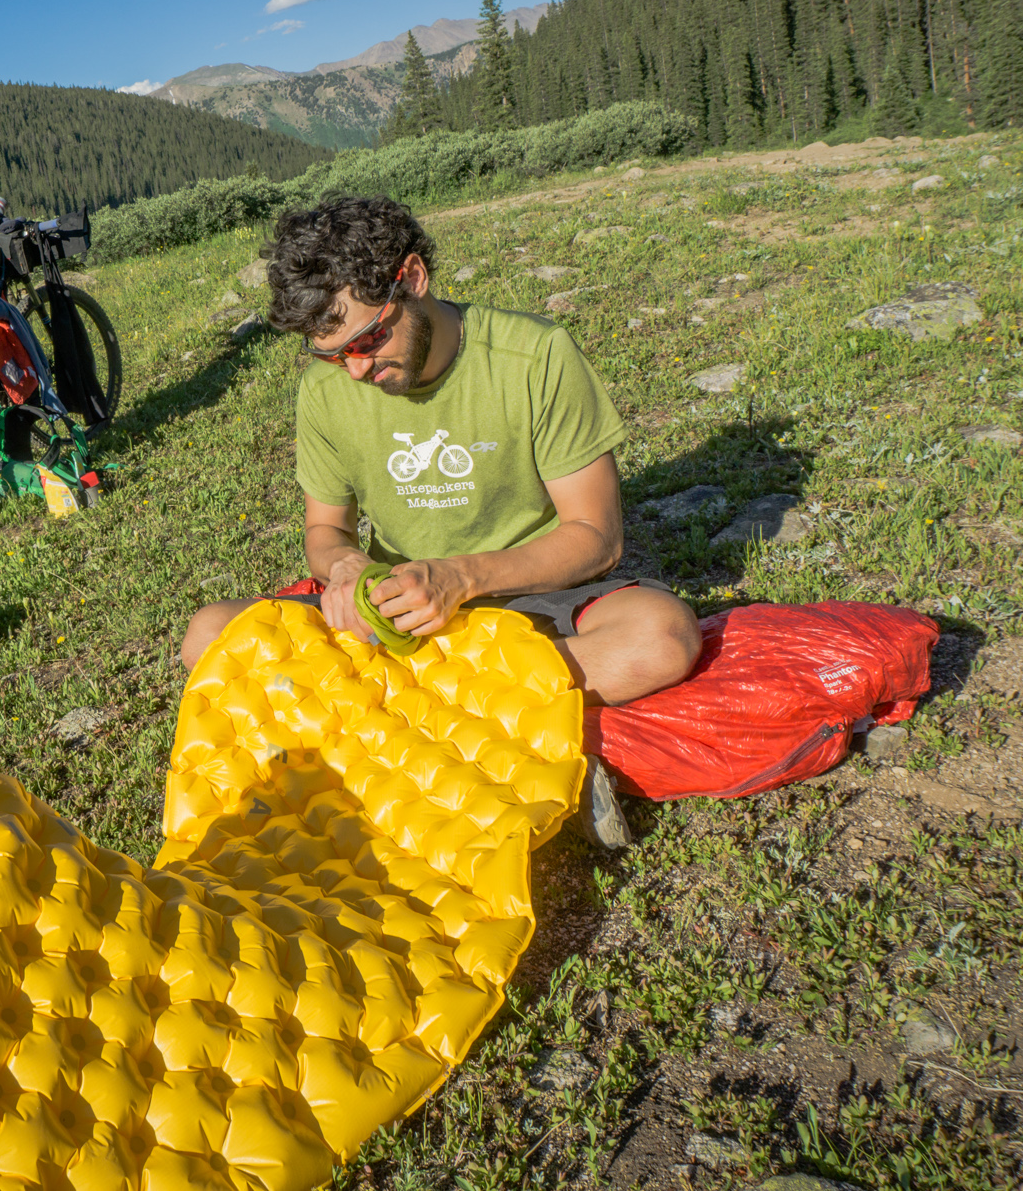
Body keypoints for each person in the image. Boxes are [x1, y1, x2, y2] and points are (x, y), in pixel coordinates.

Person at [178, 196, 702, 846]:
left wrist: (462, 576)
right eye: (333, 355)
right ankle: (495, 729)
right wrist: (347, 568)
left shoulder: (535, 356)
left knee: (661, 637)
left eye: (368, 341)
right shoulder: (327, 390)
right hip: (394, 611)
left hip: (527, 597)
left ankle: (396, 723)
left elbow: (597, 535)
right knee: (206, 637)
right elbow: (326, 533)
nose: (358, 370)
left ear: (414, 279)